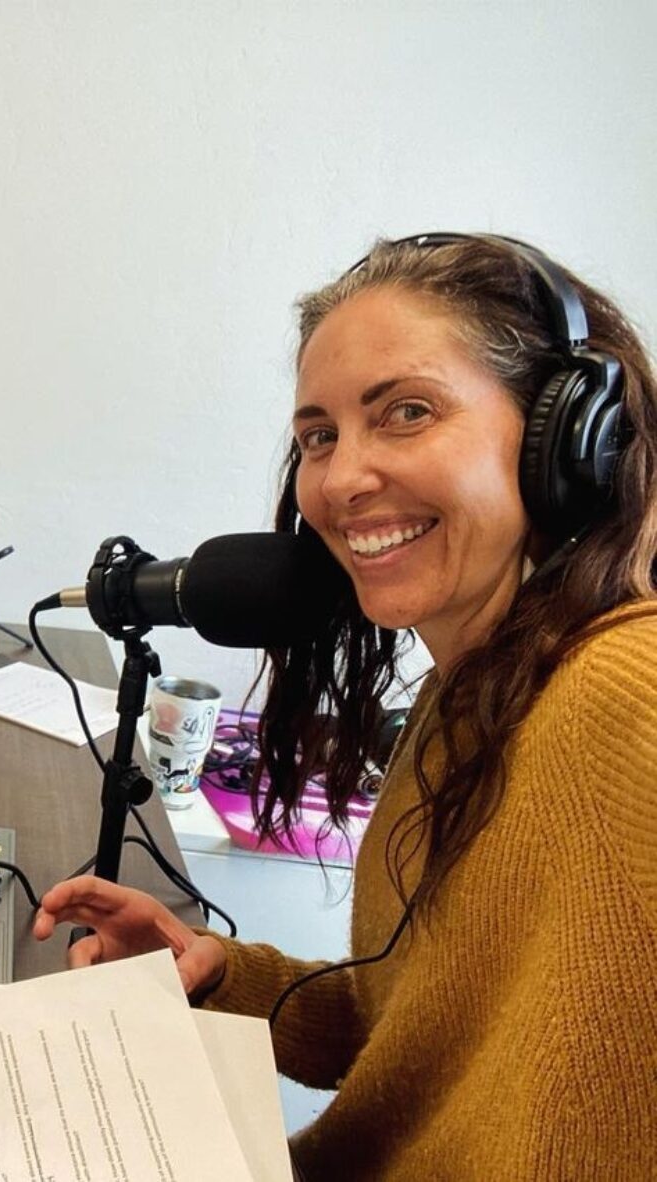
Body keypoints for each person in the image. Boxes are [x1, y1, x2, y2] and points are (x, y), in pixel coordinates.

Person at [35, 234, 657, 1180]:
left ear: (566, 438)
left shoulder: (628, 692)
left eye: (406, 413)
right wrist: (214, 971)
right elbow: (406, 1032)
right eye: (320, 434)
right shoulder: (471, 696)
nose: (339, 479)